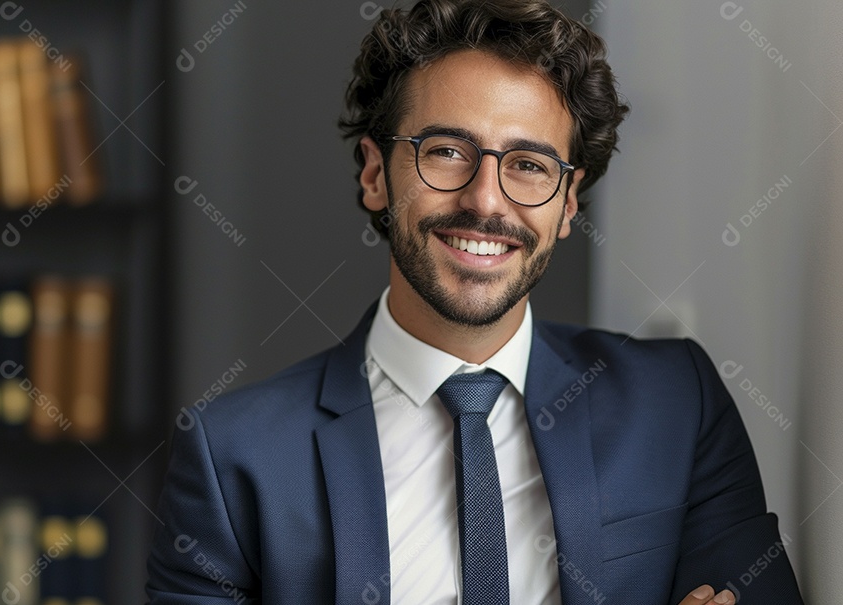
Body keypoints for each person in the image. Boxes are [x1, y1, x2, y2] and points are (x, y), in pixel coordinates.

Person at [146, 1, 804, 603]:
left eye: (529, 165)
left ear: (568, 203)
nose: (486, 200)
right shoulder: (233, 457)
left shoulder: (676, 404)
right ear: (376, 174)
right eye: (448, 151)